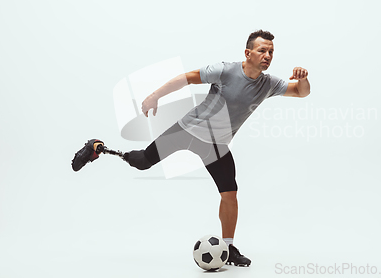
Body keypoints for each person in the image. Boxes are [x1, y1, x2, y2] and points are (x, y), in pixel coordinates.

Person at [71, 29, 310, 267]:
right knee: (143, 161)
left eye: (271, 52)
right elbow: (188, 77)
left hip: (216, 146)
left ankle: (228, 247)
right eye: (262, 50)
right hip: (187, 130)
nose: (268, 55)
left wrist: (302, 78)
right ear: (248, 53)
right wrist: (155, 96)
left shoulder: (269, 84)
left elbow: (301, 92)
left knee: (230, 193)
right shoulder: (226, 70)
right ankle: (98, 148)